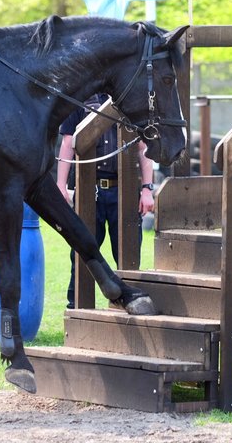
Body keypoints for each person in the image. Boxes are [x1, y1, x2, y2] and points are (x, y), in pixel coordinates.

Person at [56, 94, 156, 309]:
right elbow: (67, 142)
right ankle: (76, 306)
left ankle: (130, 304)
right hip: (88, 190)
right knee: (81, 252)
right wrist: (61, 186)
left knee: (128, 254)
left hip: (125, 191)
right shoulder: (79, 97)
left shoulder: (129, 98)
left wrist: (147, 189)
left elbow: (143, 148)